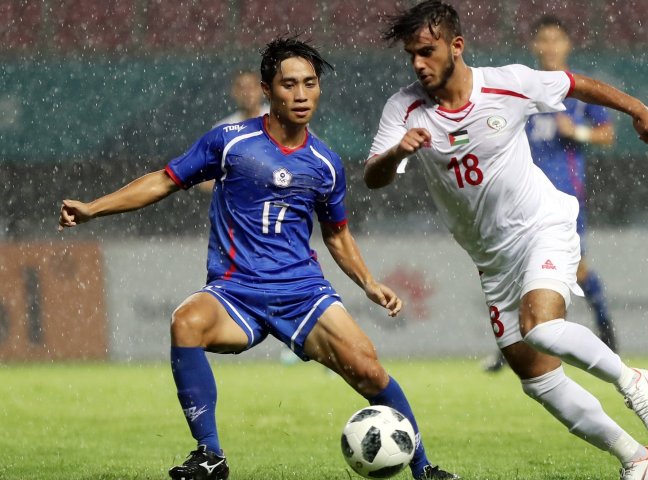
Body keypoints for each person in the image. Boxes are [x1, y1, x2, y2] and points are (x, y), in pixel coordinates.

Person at [59, 38, 458, 480]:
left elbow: (337, 235)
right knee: (186, 321)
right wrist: (94, 208)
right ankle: (209, 456)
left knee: (368, 369)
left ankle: (425, 469)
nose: (301, 94)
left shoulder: (325, 162)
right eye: (289, 85)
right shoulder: (230, 142)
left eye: (310, 84)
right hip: (236, 292)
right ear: (268, 90)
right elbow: (163, 181)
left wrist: (368, 282)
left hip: (302, 293)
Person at [363, 2, 648, 479]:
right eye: (411, 55)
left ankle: (633, 379)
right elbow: (374, 177)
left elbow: (572, 84)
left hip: (542, 226)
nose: (418, 64)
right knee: (538, 379)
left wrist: (639, 110)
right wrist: (397, 152)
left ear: (456, 46)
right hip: (492, 261)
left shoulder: (507, 82)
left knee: (540, 326)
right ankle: (638, 459)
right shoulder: (403, 107)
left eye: (427, 51)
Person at [483, 15, 618, 373]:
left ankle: (607, 333)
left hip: (565, 198)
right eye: (544, 40)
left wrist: (578, 132)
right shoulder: (524, 92)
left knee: (577, 270)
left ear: (567, 45)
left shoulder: (578, 91)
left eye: (557, 40)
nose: (550, 47)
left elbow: (608, 134)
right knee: (517, 272)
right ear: (535, 46)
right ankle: (512, 346)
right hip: (523, 200)